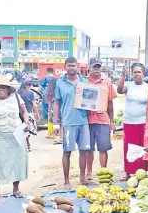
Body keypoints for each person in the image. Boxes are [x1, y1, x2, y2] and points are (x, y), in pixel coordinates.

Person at [0, 76, 30, 200]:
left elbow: (24, 112)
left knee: (17, 161)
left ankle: (16, 189)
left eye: (3, 87)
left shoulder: (16, 97)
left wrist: (26, 123)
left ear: (8, 89)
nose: (0, 90)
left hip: (16, 134)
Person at [53, 57, 90, 188]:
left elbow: (91, 100)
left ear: (77, 67)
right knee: (67, 152)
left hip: (83, 121)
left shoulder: (84, 81)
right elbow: (57, 102)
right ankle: (67, 181)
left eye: (73, 65)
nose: (71, 68)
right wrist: (55, 122)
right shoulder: (60, 83)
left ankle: (82, 178)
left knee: (84, 150)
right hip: (68, 122)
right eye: (69, 65)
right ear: (65, 67)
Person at [117, 63, 148, 181]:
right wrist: (123, 75)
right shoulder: (128, 84)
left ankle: (142, 173)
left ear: (143, 74)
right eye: (135, 72)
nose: (137, 74)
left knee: (142, 148)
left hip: (143, 122)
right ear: (132, 74)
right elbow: (120, 90)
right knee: (129, 147)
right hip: (129, 122)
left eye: (139, 72)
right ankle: (128, 172)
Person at [85, 58, 117, 178]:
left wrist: (111, 121)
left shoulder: (107, 82)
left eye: (98, 67)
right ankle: (88, 172)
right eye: (94, 67)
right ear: (89, 68)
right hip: (87, 120)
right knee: (88, 148)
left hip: (103, 119)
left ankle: (103, 171)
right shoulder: (84, 82)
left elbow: (110, 103)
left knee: (103, 148)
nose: (97, 70)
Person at [17, 81, 39, 152]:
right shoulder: (30, 93)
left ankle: (24, 144)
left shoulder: (18, 93)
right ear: (28, 86)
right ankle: (28, 144)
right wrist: (37, 113)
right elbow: (34, 105)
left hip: (18, 114)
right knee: (27, 129)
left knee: (20, 130)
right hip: (28, 113)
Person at [45, 77, 62, 144]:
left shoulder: (50, 92)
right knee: (61, 124)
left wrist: (49, 111)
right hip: (60, 108)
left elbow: (49, 103)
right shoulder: (60, 90)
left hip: (52, 109)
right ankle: (61, 138)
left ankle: (55, 139)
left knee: (55, 124)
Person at [39, 67, 54, 138]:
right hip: (54, 99)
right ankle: (54, 132)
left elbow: (39, 89)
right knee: (53, 115)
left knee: (48, 115)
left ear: (47, 72)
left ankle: (50, 132)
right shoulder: (55, 80)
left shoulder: (44, 79)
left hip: (46, 98)